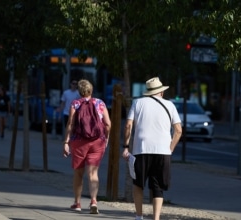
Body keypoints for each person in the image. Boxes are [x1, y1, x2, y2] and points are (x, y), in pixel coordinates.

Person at [122, 77, 182, 220]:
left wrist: (125, 146)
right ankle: (156, 218)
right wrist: (171, 148)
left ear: (148, 91)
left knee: (138, 184)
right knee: (158, 186)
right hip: (163, 151)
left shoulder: (137, 102)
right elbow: (178, 130)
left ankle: (139, 216)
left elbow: (128, 125)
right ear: (161, 92)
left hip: (141, 149)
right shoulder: (170, 105)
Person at [62, 79, 111, 214]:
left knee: (78, 173)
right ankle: (94, 201)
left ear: (79, 91)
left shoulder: (75, 103)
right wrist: (105, 138)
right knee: (93, 173)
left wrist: (66, 142)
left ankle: (77, 203)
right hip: (97, 142)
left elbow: (71, 124)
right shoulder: (100, 103)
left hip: (79, 142)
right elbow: (108, 124)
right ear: (91, 90)